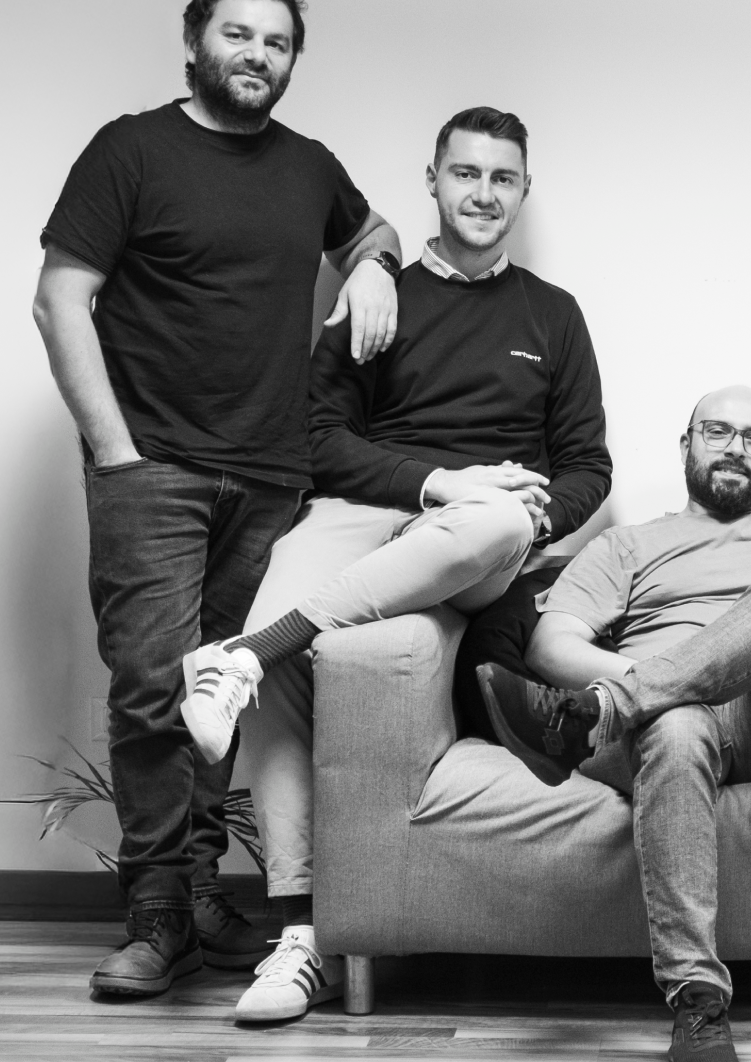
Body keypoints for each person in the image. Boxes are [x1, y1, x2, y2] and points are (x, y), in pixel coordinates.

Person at [177, 107, 612, 1022]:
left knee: (497, 516)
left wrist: (533, 513)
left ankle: (245, 655)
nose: (483, 193)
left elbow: (587, 466)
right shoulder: (379, 297)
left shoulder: (553, 313)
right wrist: (438, 482)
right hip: (369, 510)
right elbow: (320, 441)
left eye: (502, 178)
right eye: (466, 173)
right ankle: (301, 936)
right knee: (281, 637)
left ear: (523, 192)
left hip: (478, 540)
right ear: (433, 181)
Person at [32, 0, 402, 999]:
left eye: (277, 43)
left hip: (272, 476)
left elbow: (374, 230)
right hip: (154, 466)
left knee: (221, 688)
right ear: (196, 43)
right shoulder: (131, 149)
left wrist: (373, 264)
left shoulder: (309, 166)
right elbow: (60, 298)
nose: (257, 55)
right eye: (239, 35)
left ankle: (196, 896)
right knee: (154, 685)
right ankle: (157, 912)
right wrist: (116, 452)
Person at [478, 386, 751, 1062]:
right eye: (717, 431)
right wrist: (670, 686)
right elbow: (551, 646)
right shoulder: (627, 544)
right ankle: (699, 1004)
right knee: (678, 722)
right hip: (663, 728)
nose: (736, 448)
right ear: (686, 444)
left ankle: (597, 712)